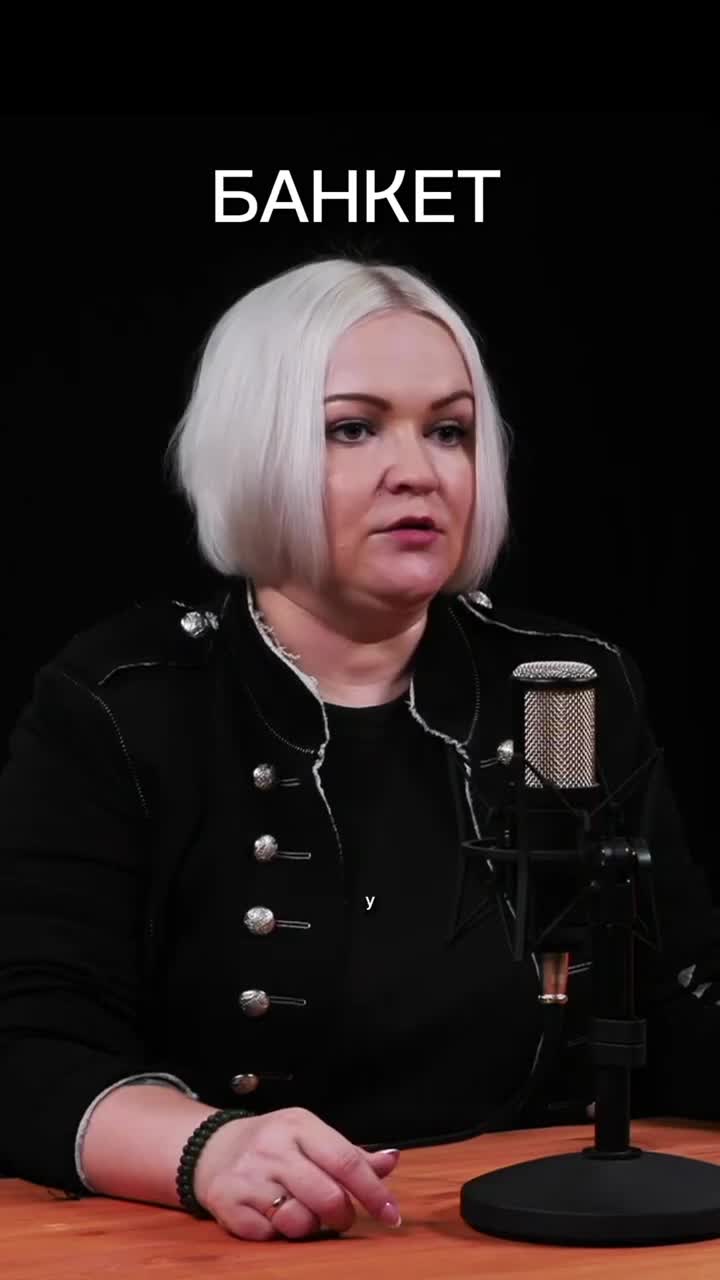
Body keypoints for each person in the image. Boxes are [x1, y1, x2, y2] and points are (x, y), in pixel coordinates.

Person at [0, 256, 718, 1243]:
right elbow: (25, 1040)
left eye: (449, 430)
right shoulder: (126, 701)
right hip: (230, 1245)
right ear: (253, 449)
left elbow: (677, 987)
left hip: (531, 1231)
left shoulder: (563, 688)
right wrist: (204, 1148)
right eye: (353, 428)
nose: (418, 470)